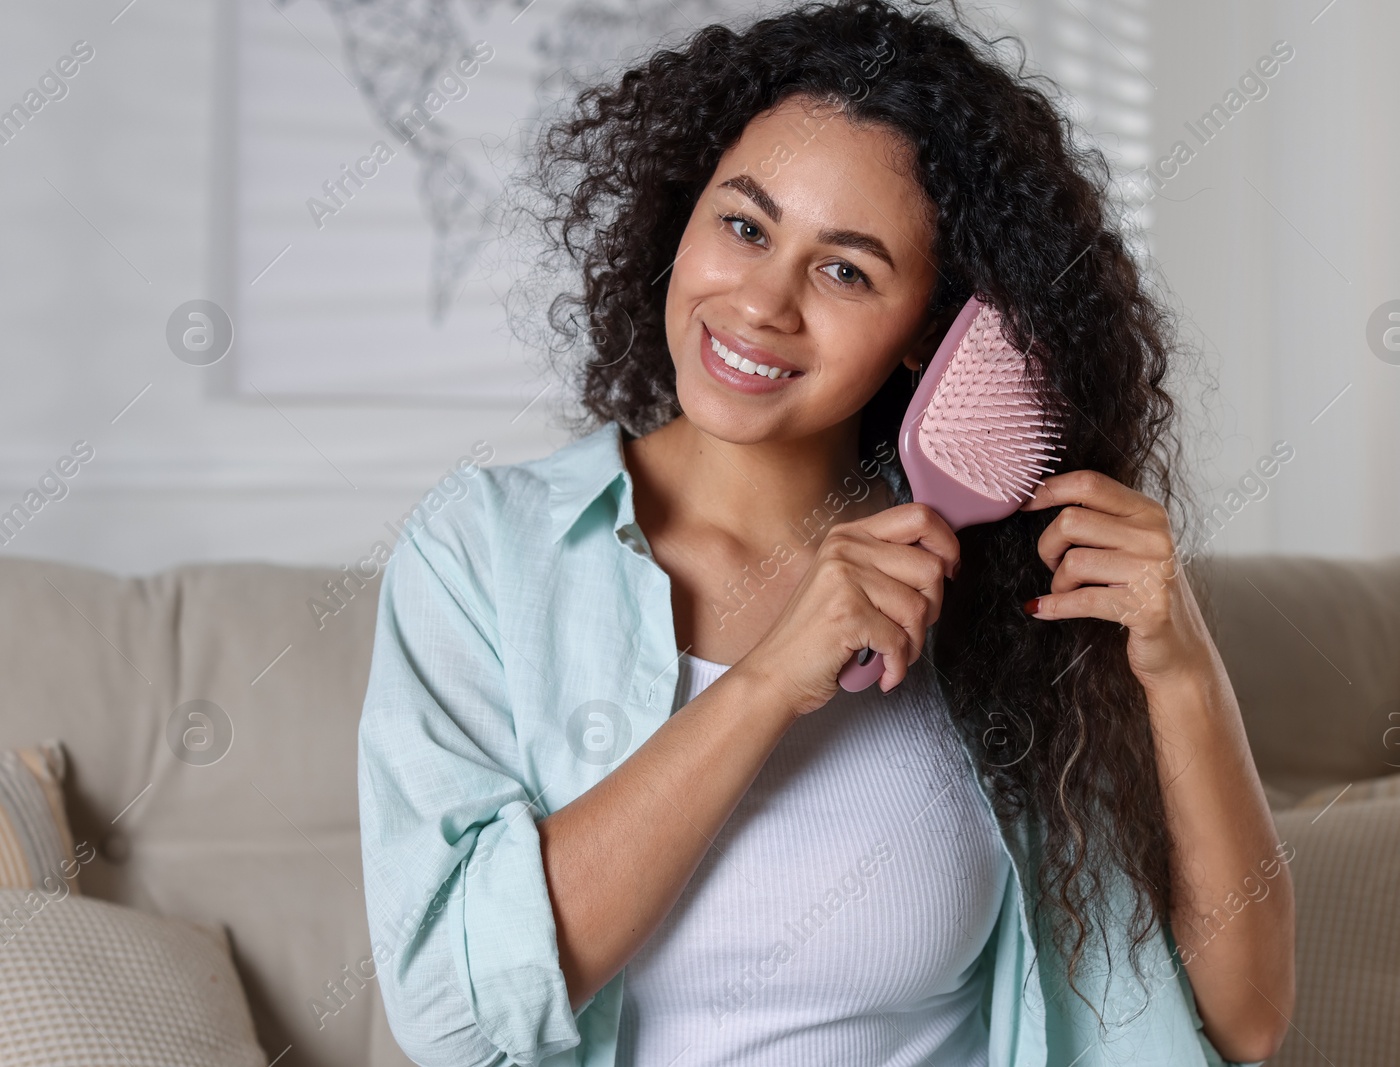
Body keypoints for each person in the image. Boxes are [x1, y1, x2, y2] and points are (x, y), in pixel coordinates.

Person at [356, 1, 1294, 1064]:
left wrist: (1181, 671)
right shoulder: (481, 553)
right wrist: (768, 681)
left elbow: (1245, 1018)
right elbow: (448, 1009)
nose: (762, 301)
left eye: (846, 269)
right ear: (681, 218)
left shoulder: (1005, 595)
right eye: (744, 225)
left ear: (927, 338)